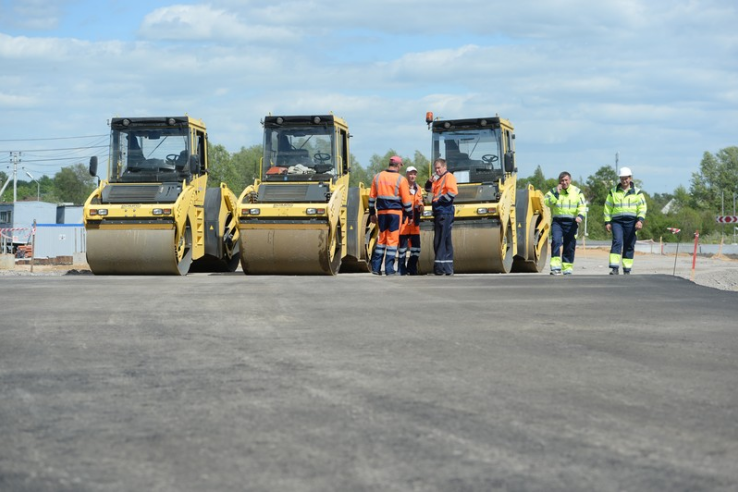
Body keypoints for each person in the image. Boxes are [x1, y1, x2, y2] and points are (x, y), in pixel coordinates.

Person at [369, 156, 413, 276]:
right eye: (401, 166)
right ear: (398, 165)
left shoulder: (377, 177)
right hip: (395, 213)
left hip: (382, 212)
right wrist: (410, 215)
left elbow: (372, 197)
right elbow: (406, 201)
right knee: (392, 241)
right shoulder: (401, 179)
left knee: (381, 239)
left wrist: (372, 213)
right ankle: (389, 269)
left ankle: (376, 268)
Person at [604, 167, 647, 275]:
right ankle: (614, 268)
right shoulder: (613, 192)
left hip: (632, 222)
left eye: (626, 178)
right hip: (617, 222)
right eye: (622, 178)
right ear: (620, 179)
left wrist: (640, 221)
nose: (624, 181)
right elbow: (607, 208)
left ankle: (627, 269)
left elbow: (642, 207)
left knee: (629, 244)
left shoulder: (637, 193)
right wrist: (607, 222)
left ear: (630, 178)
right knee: (617, 241)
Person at [544, 171, 586, 275]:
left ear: (570, 180)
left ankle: (567, 268)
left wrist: (580, 216)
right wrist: (556, 193)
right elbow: (547, 202)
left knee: (569, 245)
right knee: (556, 241)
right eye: (562, 180)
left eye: (566, 180)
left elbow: (582, 206)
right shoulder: (553, 191)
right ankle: (555, 268)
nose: (564, 182)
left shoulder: (577, 191)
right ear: (559, 181)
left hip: (572, 222)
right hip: (557, 222)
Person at [425, 158, 458, 275]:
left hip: (444, 211)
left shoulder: (448, 177)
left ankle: (440, 268)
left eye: (439, 168)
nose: (437, 170)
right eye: (436, 168)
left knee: (439, 240)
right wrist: (429, 182)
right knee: (445, 241)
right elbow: (429, 192)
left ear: (444, 167)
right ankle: (447, 268)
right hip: (440, 212)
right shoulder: (438, 180)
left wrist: (439, 202)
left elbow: (452, 193)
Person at [398, 166, 424, 275]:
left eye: (414, 174)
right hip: (404, 222)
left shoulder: (419, 188)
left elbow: (420, 201)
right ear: (407, 175)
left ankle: (411, 267)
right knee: (402, 249)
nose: (412, 176)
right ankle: (401, 269)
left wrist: (421, 205)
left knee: (416, 248)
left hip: (414, 223)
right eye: (410, 174)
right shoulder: (402, 188)